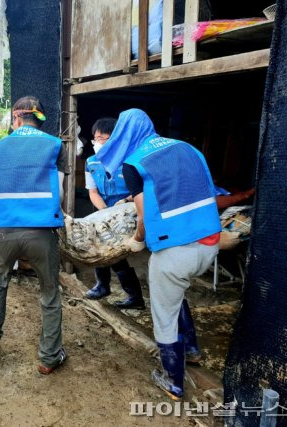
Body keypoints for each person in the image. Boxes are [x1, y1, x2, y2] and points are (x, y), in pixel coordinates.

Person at [119, 109, 221, 401]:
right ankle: (191, 350)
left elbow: (143, 218)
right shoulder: (187, 148)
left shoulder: (133, 163)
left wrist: (136, 240)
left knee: (163, 313)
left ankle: (173, 381)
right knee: (176, 295)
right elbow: (183, 188)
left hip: (176, 251)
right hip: (209, 244)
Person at [0, 96, 68, 374]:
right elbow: (60, 191)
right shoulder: (54, 145)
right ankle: (49, 357)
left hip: (3, 230)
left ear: (15, 118)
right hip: (41, 231)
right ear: (38, 118)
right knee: (50, 291)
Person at [83, 117, 145, 309]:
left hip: (128, 210)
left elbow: (142, 191)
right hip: (104, 209)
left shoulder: (130, 160)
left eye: (102, 138)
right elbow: (92, 192)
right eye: (95, 138)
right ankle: (104, 286)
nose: (97, 142)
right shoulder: (91, 162)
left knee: (116, 254)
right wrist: (104, 212)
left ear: (115, 139)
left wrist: (124, 202)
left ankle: (133, 297)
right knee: (97, 243)